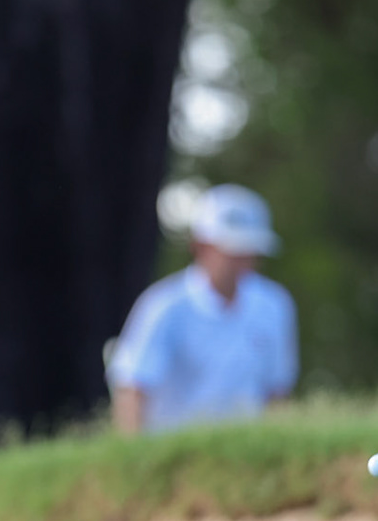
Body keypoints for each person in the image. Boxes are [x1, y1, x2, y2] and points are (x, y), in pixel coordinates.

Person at [106, 184, 297, 433]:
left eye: (249, 251)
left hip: (248, 457)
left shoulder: (275, 305)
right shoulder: (162, 306)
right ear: (201, 246)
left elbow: (276, 393)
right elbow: (132, 390)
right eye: (233, 251)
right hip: (171, 459)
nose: (243, 260)